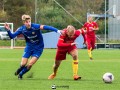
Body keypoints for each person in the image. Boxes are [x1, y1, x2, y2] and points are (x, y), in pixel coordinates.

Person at [4, 14, 61, 79]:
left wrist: (57, 30)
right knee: (23, 64)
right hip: (29, 47)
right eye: (26, 22)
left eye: (29, 21)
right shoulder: (21, 29)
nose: (28, 23)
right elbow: (12, 36)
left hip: (38, 48)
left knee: (30, 64)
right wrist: (8, 30)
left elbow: (46, 27)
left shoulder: (35, 26)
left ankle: (20, 74)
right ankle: (20, 69)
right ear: (24, 22)